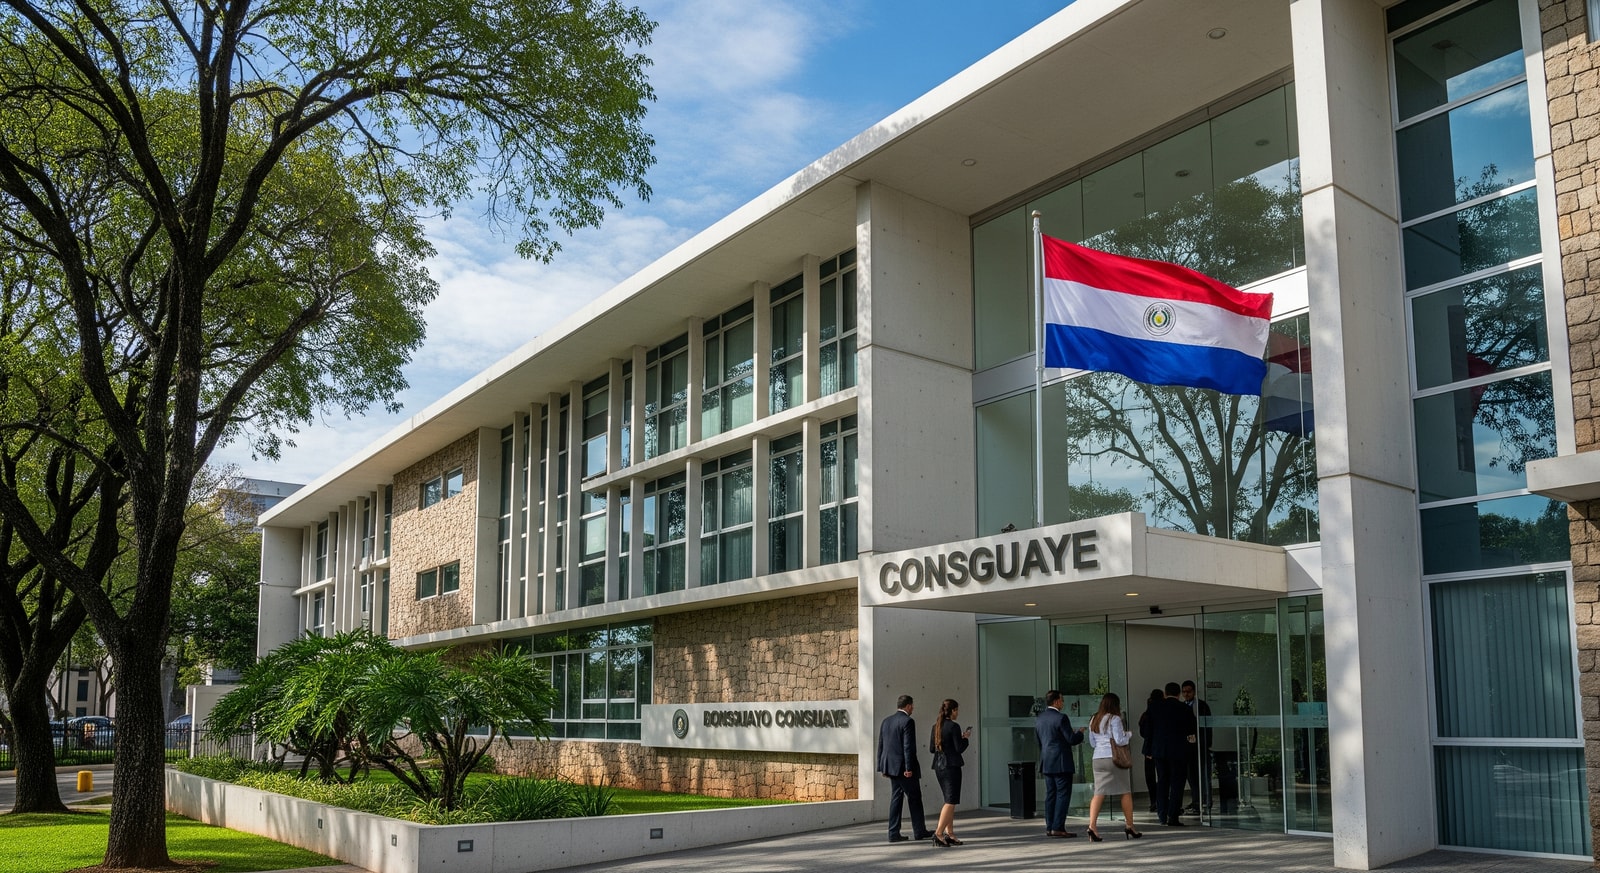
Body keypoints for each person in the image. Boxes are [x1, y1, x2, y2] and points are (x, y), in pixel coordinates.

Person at [1085, 692, 1143, 841]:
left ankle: (1092, 826)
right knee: (1125, 791)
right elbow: (1119, 740)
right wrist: (1129, 734)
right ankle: (1130, 826)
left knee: (1099, 792)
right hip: (1114, 759)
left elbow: (1092, 743)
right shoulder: (1115, 718)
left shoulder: (1094, 719)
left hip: (1098, 758)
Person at [877, 694, 933, 843]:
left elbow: (881, 745)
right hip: (904, 768)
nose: (913, 709)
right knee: (915, 798)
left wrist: (881, 767)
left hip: (891, 767)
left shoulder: (886, 721)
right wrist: (909, 768)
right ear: (908, 706)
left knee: (896, 798)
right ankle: (919, 831)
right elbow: (908, 747)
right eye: (912, 706)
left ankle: (893, 832)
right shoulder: (908, 721)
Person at [1035, 689, 1085, 838]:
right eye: (1062, 700)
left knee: (1050, 794)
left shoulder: (1040, 718)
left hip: (1047, 761)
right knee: (1063, 794)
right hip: (1061, 762)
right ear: (1056, 701)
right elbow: (1071, 739)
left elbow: (1040, 742)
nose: (1063, 703)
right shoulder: (1061, 718)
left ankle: (1049, 826)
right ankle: (1058, 827)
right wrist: (1080, 733)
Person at [1148, 681, 1197, 826]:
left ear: (1165, 693)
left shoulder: (1154, 707)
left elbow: (1147, 730)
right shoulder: (1184, 708)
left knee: (1162, 781)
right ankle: (1173, 816)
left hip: (1159, 751)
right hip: (1178, 752)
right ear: (1178, 694)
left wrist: (1149, 749)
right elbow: (1191, 730)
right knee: (1177, 783)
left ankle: (1162, 814)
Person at [929, 698, 972, 847]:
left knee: (949, 801)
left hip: (939, 767)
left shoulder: (936, 726)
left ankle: (950, 833)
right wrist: (965, 739)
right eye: (957, 710)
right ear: (952, 711)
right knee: (950, 801)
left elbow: (931, 749)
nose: (957, 713)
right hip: (951, 767)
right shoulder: (954, 727)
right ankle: (939, 833)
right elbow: (959, 748)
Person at [1181, 679, 1213, 815]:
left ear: (1194, 691)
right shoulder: (1182, 706)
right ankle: (1196, 800)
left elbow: (1207, 726)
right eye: (1184, 692)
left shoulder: (1202, 706)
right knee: (1191, 775)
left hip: (1201, 745)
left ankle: (1206, 799)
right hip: (1188, 747)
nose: (1186, 694)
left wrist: (1206, 742)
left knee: (1203, 774)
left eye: (1189, 691)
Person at [1138, 688, 1163, 814]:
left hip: (1149, 749)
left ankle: (1154, 801)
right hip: (1162, 748)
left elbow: (1144, 732)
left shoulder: (1147, 714)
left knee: (1150, 776)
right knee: (1163, 775)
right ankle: (1162, 800)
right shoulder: (1164, 712)